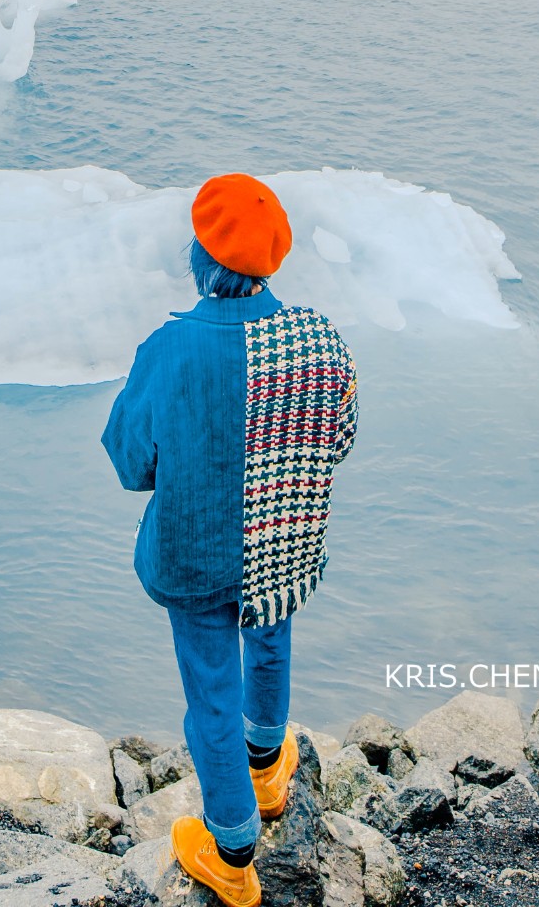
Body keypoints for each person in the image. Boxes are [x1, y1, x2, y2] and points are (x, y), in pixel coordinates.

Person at [102, 173, 358, 907]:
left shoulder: (170, 348)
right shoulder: (319, 340)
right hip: (282, 540)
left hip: (197, 551)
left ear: (200, 254)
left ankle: (233, 853)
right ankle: (267, 767)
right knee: (271, 638)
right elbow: (336, 440)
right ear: (272, 258)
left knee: (209, 689)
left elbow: (131, 461)